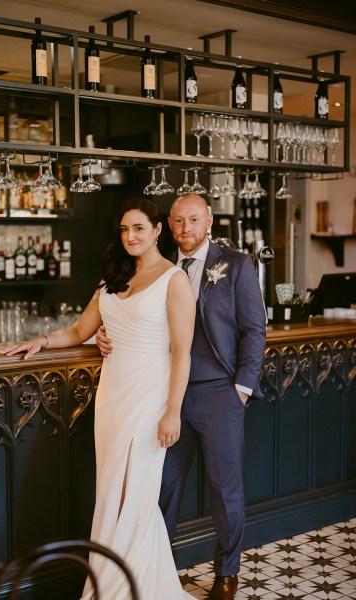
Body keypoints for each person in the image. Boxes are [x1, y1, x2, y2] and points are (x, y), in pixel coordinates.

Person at [0, 197, 196, 600]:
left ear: (158, 230)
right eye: (124, 230)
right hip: (111, 397)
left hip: (148, 399)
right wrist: (42, 340)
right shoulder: (112, 279)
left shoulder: (174, 281)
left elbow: (183, 353)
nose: (130, 237)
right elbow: (79, 330)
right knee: (110, 493)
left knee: (135, 491)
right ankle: (132, 584)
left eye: (139, 228)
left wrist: (173, 411)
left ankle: (115, 590)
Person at [97, 193, 267, 600]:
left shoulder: (237, 265)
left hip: (218, 393)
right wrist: (105, 333)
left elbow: (255, 330)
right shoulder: (157, 268)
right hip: (163, 394)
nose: (185, 228)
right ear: (166, 227)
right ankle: (157, 571)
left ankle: (227, 574)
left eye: (193, 219)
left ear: (209, 221)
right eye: (177, 221)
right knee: (160, 486)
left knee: (224, 488)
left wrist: (241, 389)